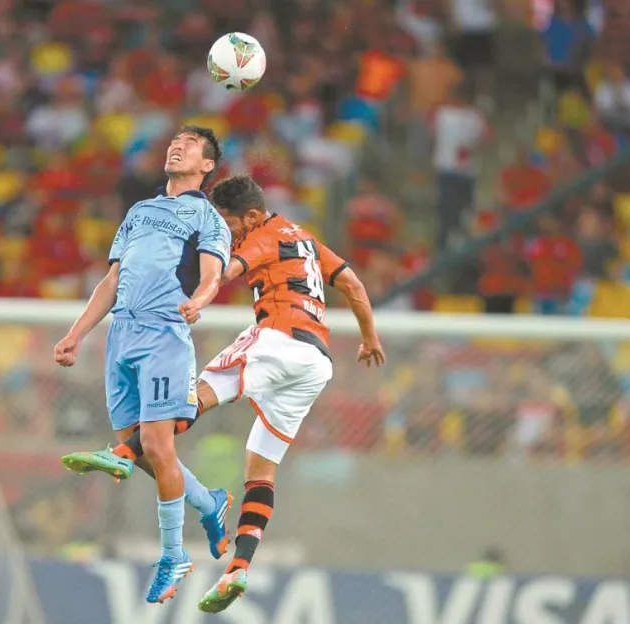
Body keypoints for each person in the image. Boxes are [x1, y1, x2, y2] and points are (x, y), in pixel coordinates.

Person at [62, 176, 385, 613]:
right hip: (315, 362)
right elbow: (355, 288)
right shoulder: (307, 239)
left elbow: (228, 270)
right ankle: (238, 568)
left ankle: (122, 452)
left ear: (250, 217)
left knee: (195, 394)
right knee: (260, 470)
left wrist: (198, 294)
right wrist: (369, 339)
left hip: (277, 338)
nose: (229, 233)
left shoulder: (262, 235)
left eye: (230, 225)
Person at [53, 126, 233, 604]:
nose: (177, 146)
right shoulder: (138, 212)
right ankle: (209, 503)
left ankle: (174, 555)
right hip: (122, 335)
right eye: (175, 141)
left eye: (190, 144)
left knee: (153, 443)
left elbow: (213, 274)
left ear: (207, 165)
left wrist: (199, 300)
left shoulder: (208, 218)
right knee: (151, 452)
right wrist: (76, 333)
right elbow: (112, 279)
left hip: (164, 332)